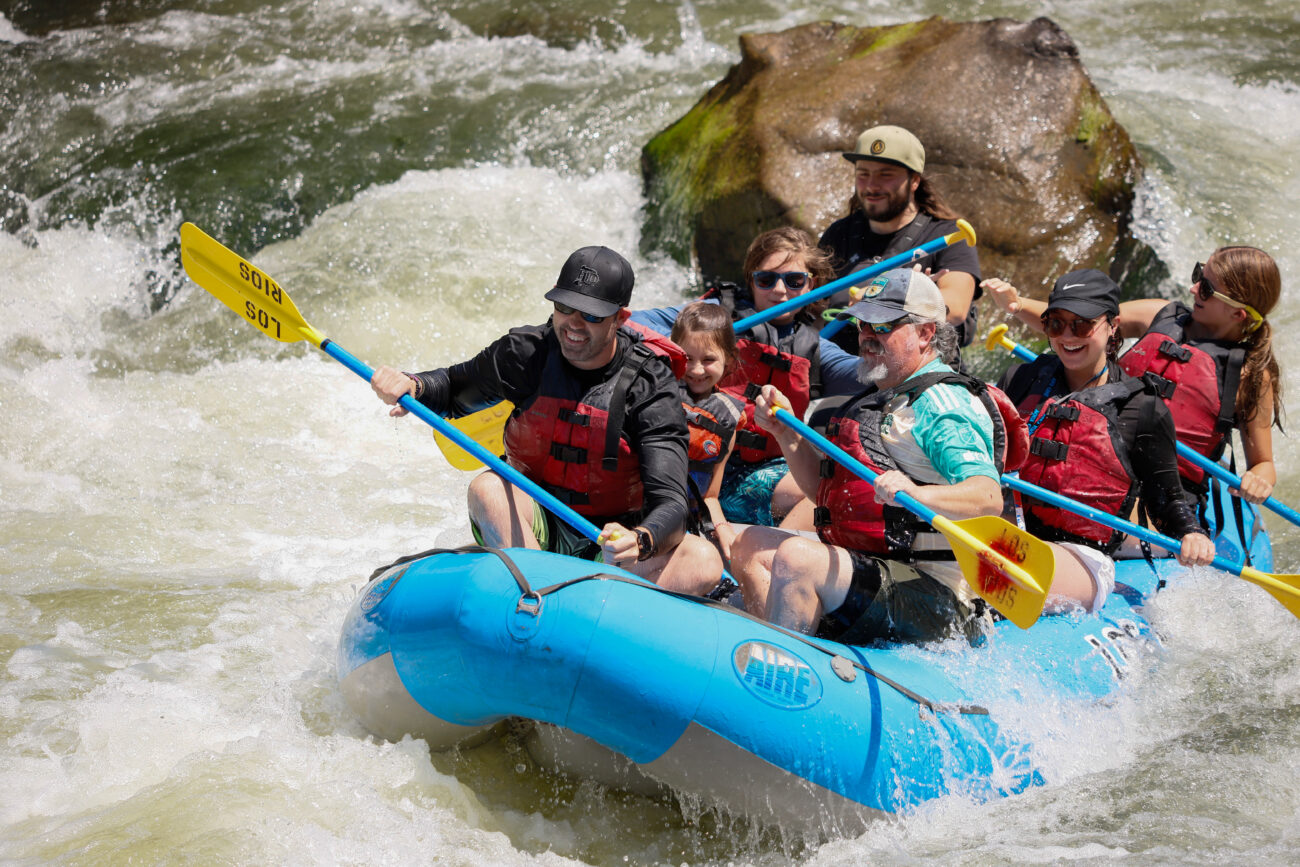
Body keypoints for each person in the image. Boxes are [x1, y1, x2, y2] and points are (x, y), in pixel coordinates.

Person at [369, 245, 723, 594]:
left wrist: (640, 540)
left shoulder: (650, 385)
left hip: (614, 545)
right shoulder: (526, 353)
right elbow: (452, 387)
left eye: (592, 314)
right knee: (487, 488)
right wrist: (413, 385)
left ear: (621, 319)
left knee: (703, 560)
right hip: (537, 529)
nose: (574, 323)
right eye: (564, 306)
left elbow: (672, 503)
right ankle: (539, 593)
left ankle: (589, 605)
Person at [728, 268, 1022, 643]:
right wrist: (785, 433)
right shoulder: (887, 395)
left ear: (925, 333)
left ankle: (783, 665)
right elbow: (821, 488)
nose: (866, 336)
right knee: (749, 544)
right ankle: (770, 644)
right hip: (880, 568)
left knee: (798, 558)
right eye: (864, 324)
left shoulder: (943, 406)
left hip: (938, 600)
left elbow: (986, 496)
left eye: (883, 326)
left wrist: (919, 494)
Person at [985, 246, 1283, 509]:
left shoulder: (1249, 373)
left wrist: (1259, 479)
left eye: (1205, 288)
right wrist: (1018, 305)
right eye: (1198, 275)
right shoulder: (1161, 315)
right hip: (1095, 453)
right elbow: (1081, 324)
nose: (1193, 289)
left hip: (1159, 492)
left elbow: (1263, 463)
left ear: (1237, 314)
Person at [990, 269, 1215, 602]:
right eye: (1055, 323)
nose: (1068, 336)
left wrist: (1191, 533)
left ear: (1113, 326)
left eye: (1081, 325)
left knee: (1008, 569)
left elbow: (1167, 500)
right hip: (1009, 531)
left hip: (1084, 557)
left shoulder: (1141, 409)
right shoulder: (1022, 377)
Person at [630, 227, 862, 528]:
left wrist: (873, 322)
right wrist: (697, 344)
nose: (779, 291)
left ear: (811, 285)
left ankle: (778, 560)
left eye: (794, 281)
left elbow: (871, 376)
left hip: (765, 470)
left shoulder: (816, 349)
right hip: (698, 466)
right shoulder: (714, 316)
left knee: (831, 491)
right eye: (766, 280)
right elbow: (634, 322)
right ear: (751, 280)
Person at [819, 125, 982, 356]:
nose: (872, 185)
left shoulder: (947, 236)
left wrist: (883, 296)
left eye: (885, 175)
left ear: (914, 180)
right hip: (841, 369)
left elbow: (955, 309)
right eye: (863, 174)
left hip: (915, 376)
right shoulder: (839, 233)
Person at [670, 301, 746, 562]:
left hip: (689, 514)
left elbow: (710, 495)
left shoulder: (728, 418)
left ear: (729, 359)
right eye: (687, 357)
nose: (696, 370)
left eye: (709, 359)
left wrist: (722, 528)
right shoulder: (655, 392)